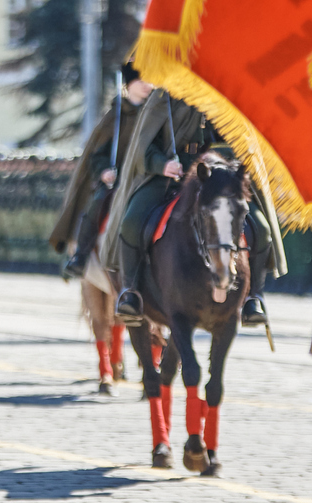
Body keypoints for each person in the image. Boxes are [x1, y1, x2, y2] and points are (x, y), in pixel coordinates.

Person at [104, 87, 276, 328]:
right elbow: (143, 146)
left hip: (221, 177)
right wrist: (162, 165)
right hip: (170, 176)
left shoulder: (231, 92)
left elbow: (245, 142)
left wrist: (230, 164)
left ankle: (253, 298)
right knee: (131, 221)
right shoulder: (163, 97)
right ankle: (130, 291)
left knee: (262, 228)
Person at [51, 62, 151, 280]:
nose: (147, 85)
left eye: (150, 81)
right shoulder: (115, 116)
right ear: (129, 84)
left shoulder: (155, 113)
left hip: (148, 176)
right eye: (141, 80)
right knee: (99, 202)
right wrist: (105, 170)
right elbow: (97, 154)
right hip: (117, 179)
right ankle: (81, 255)